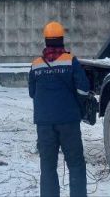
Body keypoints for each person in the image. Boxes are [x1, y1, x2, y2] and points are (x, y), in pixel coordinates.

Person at [29, 21, 90, 197]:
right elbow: (83, 89)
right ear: (62, 40)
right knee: (76, 165)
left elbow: (32, 93)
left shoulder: (36, 65)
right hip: (69, 122)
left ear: (46, 41)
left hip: (44, 124)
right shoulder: (71, 61)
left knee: (47, 167)